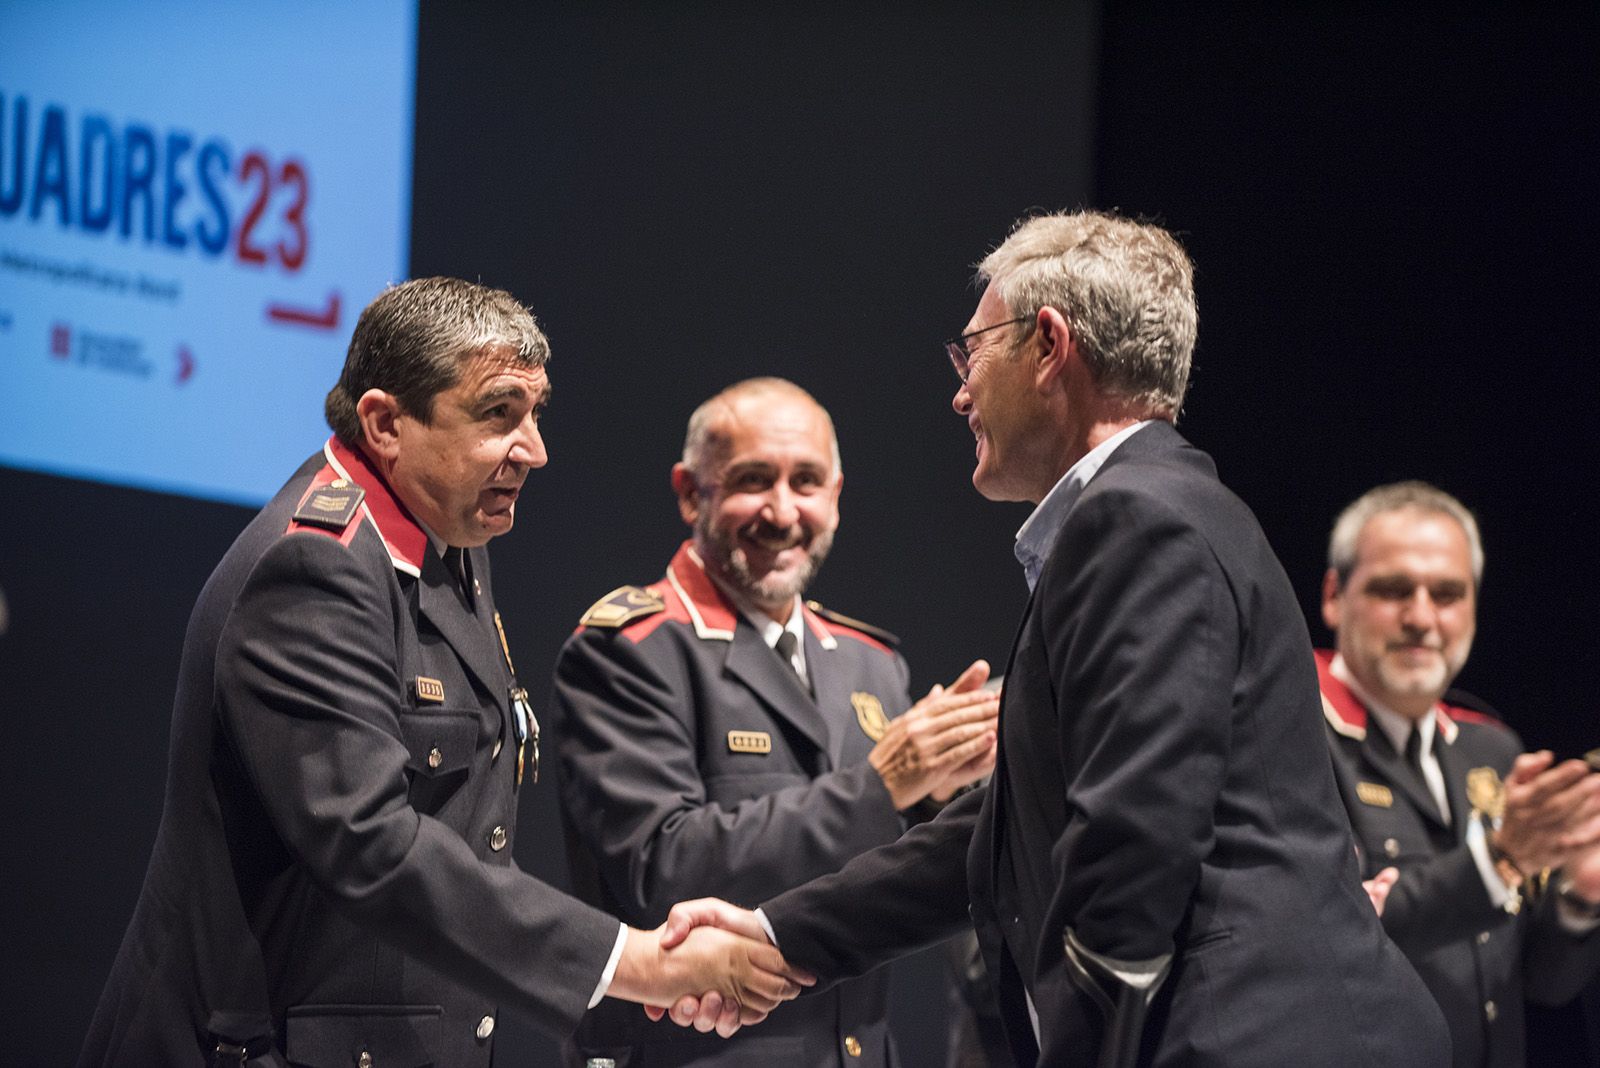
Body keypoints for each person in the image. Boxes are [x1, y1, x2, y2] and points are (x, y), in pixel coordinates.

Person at [659, 210, 1450, 1067]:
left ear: (1048, 345)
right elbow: (999, 831)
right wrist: (779, 933)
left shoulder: (1139, 519)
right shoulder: (1155, 508)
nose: (960, 393)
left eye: (973, 352)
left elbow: (1134, 843)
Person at [77, 279, 807, 1068]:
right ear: (386, 424)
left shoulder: (448, 534)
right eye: (498, 414)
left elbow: (466, 838)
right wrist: (633, 962)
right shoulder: (315, 567)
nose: (534, 449)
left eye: (535, 412)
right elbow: (373, 846)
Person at [551, 377, 1000, 1066]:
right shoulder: (627, 651)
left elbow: (900, 880)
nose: (783, 511)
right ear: (689, 492)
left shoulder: (872, 662)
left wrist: (936, 792)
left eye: (806, 482)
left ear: (836, 497)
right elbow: (662, 873)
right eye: (753, 480)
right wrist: (882, 787)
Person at [1316, 481, 1600, 1067]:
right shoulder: (1291, 734)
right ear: (1335, 597)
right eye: (1394, 590)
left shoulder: (1492, 748)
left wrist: (1578, 896)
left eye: (1447, 594)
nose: (1422, 618)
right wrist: (1500, 859)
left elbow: (1543, 986)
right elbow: (1324, 944)